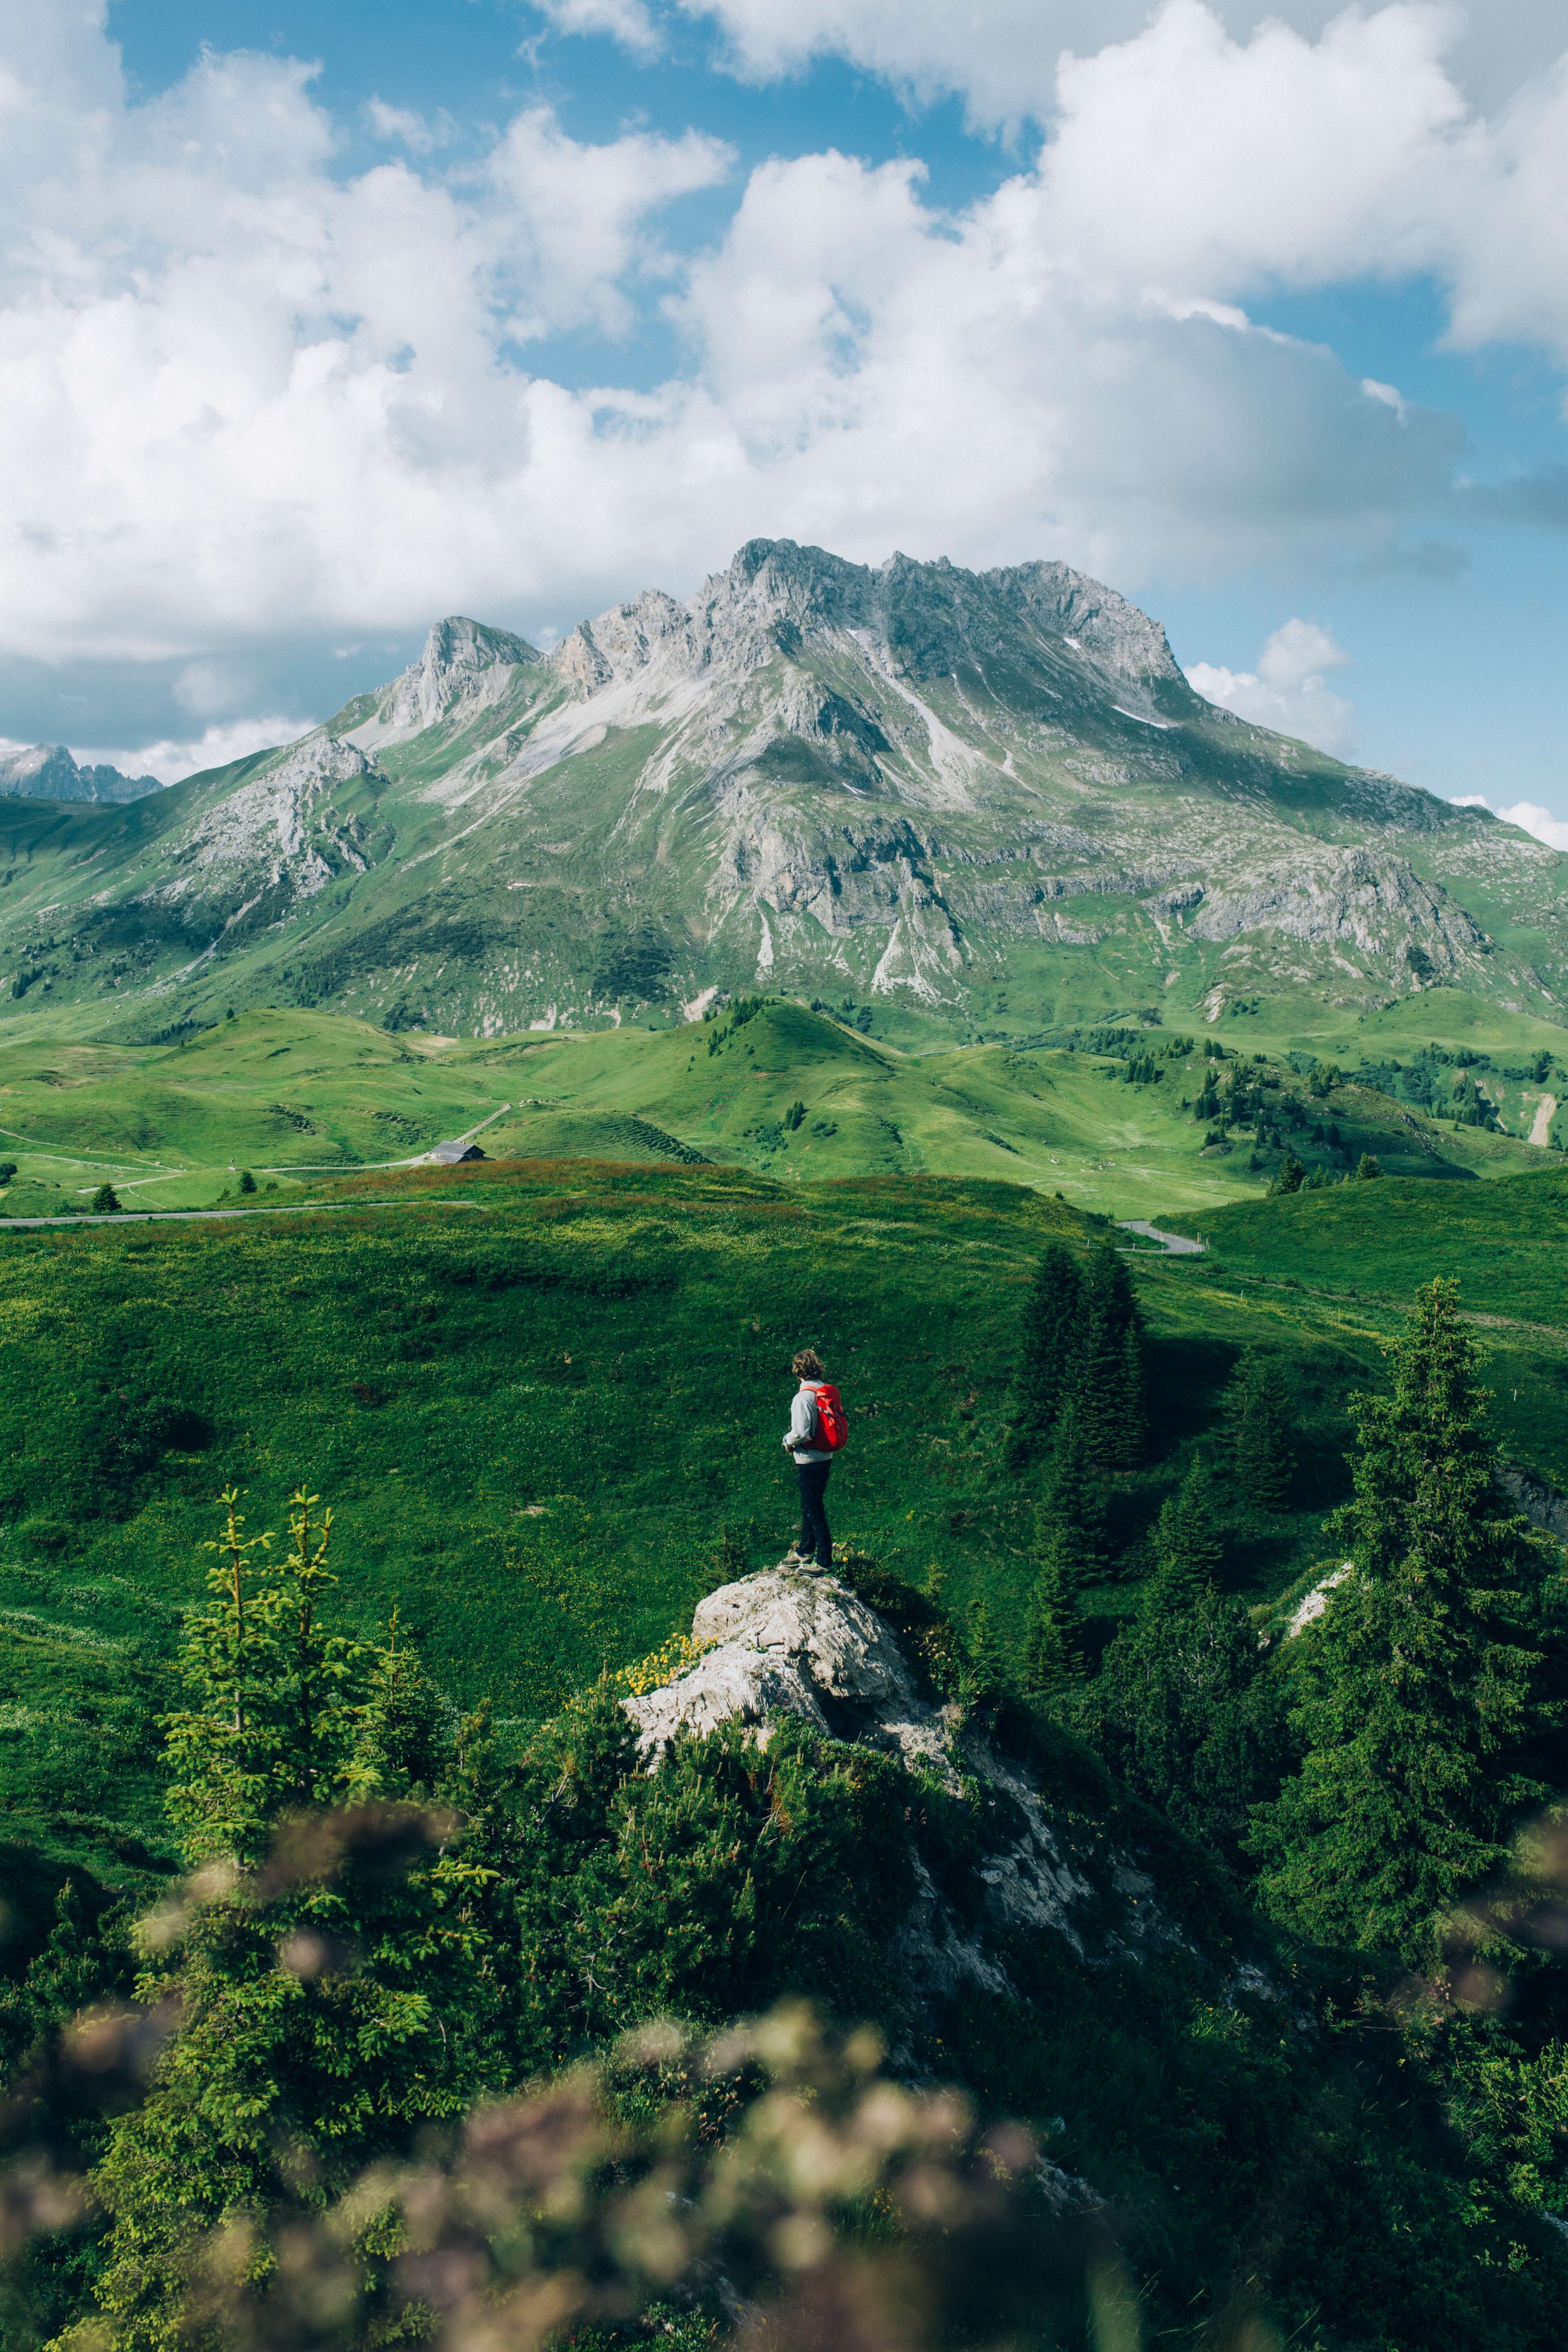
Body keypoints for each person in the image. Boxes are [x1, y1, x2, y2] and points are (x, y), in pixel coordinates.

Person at [782, 1347, 834, 1571]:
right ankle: (804, 1550)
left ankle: (824, 1561)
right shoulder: (826, 1392)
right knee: (809, 1505)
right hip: (826, 1456)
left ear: (798, 1372)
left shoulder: (803, 1398)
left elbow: (801, 1433)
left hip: (809, 1460)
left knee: (814, 1509)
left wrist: (787, 1441)